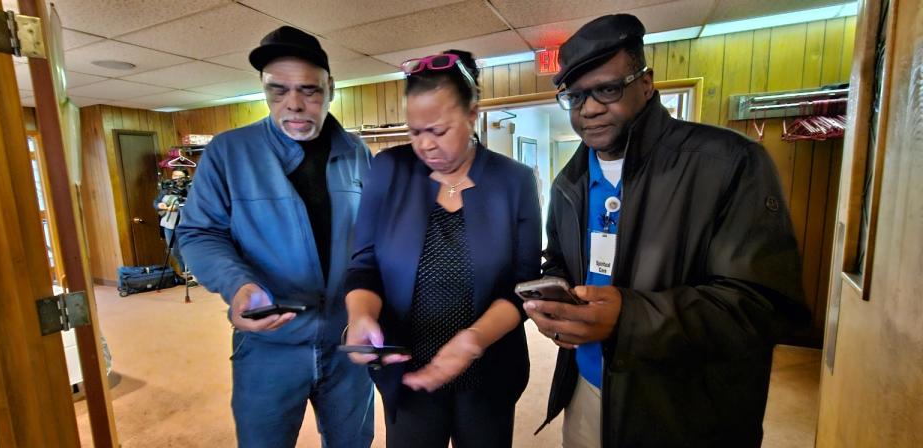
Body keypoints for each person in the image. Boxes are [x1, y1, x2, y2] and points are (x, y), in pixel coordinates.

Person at [524, 14, 810, 447]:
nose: (590, 108)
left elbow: (762, 307)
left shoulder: (729, 164)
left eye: (607, 89)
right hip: (585, 391)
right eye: (576, 96)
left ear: (646, 83)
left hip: (683, 413)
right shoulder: (570, 182)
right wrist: (557, 304)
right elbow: (561, 260)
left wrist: (628, 317)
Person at [177, 26, 374, 448]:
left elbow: (373, 240)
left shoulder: (357, 152)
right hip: (269, 345)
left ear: (331, 88)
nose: (295, 104)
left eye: (309, 90)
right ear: (263, 89)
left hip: (346, 342)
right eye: (277, 90)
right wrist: (238, 285)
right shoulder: (228, 152)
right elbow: (198, 232)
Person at [343, 50, 541, 448]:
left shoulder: (514, 181)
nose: (425, 145)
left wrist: (473, 341)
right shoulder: (389, 169)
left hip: (489, 367)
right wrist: (361, 317)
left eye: (439, 130)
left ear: (472, 115)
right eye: (415, 131)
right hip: (409, 366)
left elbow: (524, 285)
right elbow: (364, 263)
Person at [155, 168, 189, 273]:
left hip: (186, 224)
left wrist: (178, 208)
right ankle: (184, 272)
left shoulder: (190, 188)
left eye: (180, 176)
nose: (177, 178)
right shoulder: (167, 189)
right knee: (174, 251)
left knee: (187, 249)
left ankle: (192, 274)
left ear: (186, 178)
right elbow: (156, 202)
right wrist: (159, 205)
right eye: (175, 176)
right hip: (169, 224)